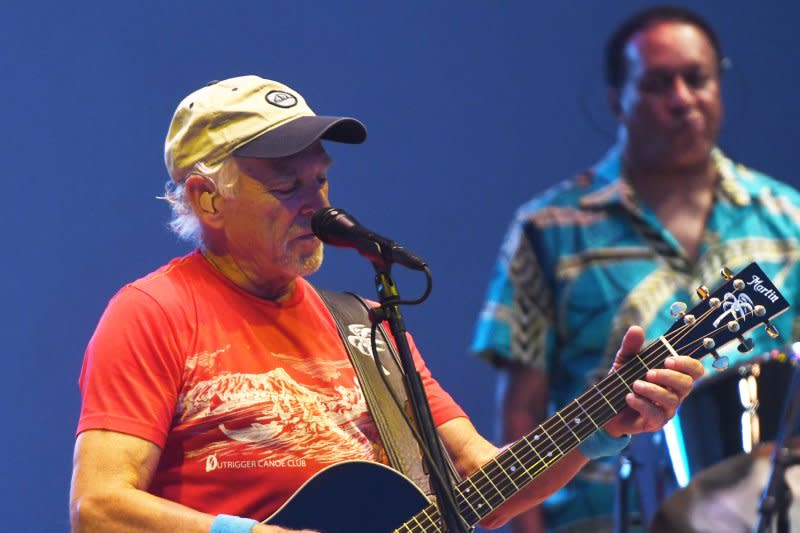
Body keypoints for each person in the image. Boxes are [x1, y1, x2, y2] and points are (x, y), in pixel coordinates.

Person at [69, 75, 703, 533]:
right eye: (286, 185)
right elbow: (98, 507)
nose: (314, 203)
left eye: (319, 180)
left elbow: (483, 483)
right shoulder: (153, 311)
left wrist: (600, 429)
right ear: (208, 199)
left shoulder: (364, 326)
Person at [471, 5, 800, 533]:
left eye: (698, 79)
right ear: (616, 100)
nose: (682, 100)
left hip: (765, 513)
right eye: (656, 84)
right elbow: (520, 411)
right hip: (600, 519)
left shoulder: (790, 218)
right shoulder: (550, 228)